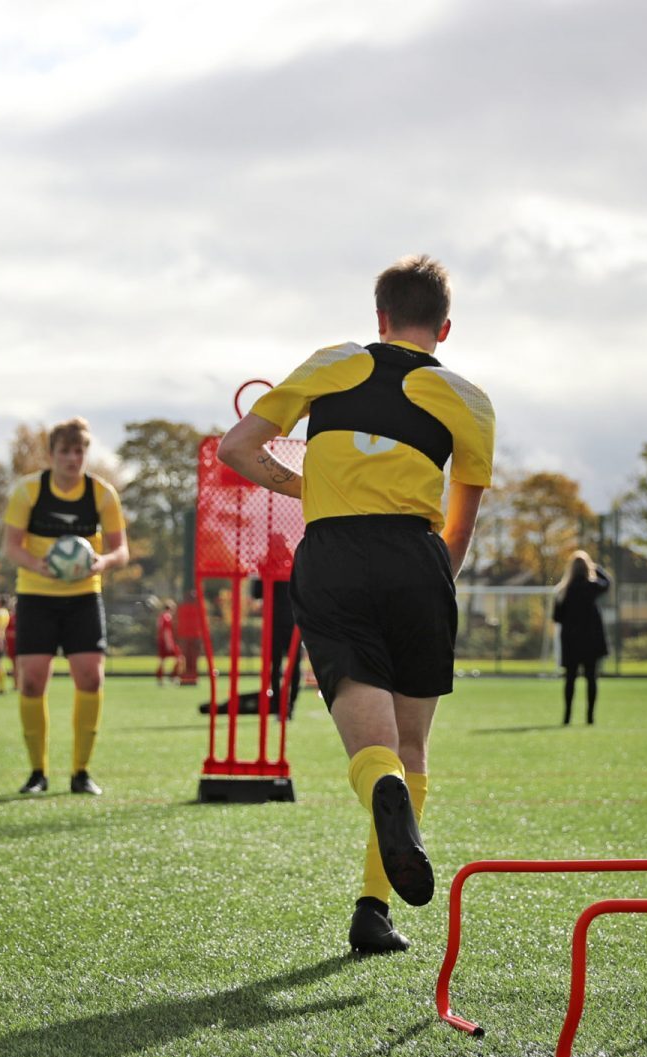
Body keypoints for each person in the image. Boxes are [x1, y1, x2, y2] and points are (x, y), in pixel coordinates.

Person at [217, 254, 493, 955]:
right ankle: (374, 909)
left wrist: (302, 485)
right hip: (417, 560)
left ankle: (382, 790)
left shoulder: (334, 361)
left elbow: (238, 448)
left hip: (335, 553)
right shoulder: (469, 399)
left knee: (373, 750)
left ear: (380, 318)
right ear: (445, 328)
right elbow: (459, 524)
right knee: (412, 743)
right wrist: (436, 582)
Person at [2, 417, 131, 795]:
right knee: (31, 681)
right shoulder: (28, 492)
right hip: (36, 596)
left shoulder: (101, 494)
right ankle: (37, 773)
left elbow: (121, 549)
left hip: (83, 597)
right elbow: (11, 546)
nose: (73, 459)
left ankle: (81, 772)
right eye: (65, 452)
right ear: (51, 454)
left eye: (80, 451)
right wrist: (37, 564)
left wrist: (103, 562)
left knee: (91, 677)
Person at [552, 551, 611, 727]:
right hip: (591, 641)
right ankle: (590, 717)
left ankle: (567, 716)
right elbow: (607, 583)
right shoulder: (592, 587)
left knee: (570, 678)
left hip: (571, 641)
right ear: (588, 568)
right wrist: (597, 568)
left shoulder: (563, 590)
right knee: (591, 678)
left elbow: (557, 617)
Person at [155, 600, 180, 683]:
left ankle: (160, 678)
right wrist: (169, 643)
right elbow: (167, 631)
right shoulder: (167, 617)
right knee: (179, 659)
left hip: (161, 641)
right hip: (167, 641)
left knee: (162, 660)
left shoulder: (161, 616)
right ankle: (173, 676)